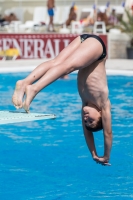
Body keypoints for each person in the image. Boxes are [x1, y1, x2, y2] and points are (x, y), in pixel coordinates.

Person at [12, 34, 112, 166]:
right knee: (68, 67)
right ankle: (34, 89)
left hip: (85, 40)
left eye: (86, 121)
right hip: (97, 48)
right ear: (100, 114)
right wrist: (105, 155)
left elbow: (87, 133)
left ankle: (24, 83)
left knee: (56, 63)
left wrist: (93, 153)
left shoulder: (85, 105)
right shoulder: (103, 104)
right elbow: (108, 133)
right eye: (91, 120)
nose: (86, 118)